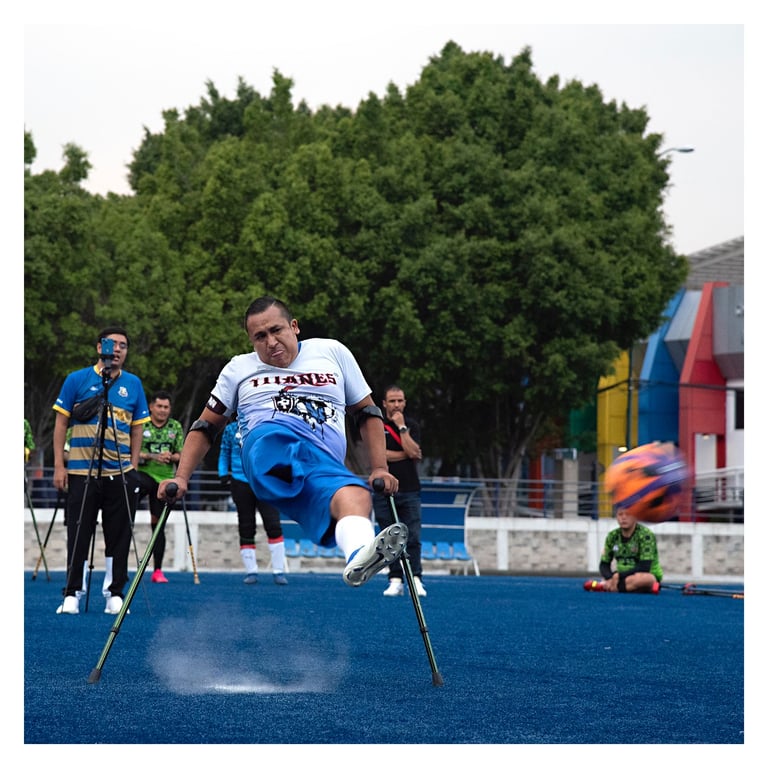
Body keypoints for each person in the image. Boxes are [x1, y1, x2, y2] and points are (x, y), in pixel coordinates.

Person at [158, 296, 407, 589]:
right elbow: (205, 427)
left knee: (356, 496)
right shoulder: (239, 368)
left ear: (294, 326)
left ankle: (359, 554)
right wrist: (181, 477)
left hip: (320, 463)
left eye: (276, 330)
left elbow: (366, 412)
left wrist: (378, 467)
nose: (271, 342)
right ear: (251, 341)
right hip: (266, 449)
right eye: (260, 337)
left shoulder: (332, 351)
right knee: (276, 440)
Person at [52, 327, 150, 615]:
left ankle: (114, 592)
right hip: (81, 472)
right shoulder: (77, 379)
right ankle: (72, 592)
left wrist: (131, 466)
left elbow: (137, 428)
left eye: (123, 345)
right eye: (112, 344)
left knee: (118, 534)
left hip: (118, 473)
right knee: (78, 532)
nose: (117, 349)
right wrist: (60, 466)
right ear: (99, 348)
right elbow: (60, 425)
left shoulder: (133, 384)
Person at [218, 418, 288, 585]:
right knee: (246, 525)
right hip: (240, 481)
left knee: (273, 524)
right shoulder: (230, 430)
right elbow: (224, 451)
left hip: (265, 481)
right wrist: (222, 472)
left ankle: (279, 571)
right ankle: (251, 571)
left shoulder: (268, 425)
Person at [372, 385, 426, 597]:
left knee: (413, 537)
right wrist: (406, 452)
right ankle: (395, 579)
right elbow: (379, 455)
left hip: (410, 490)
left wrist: (401, 428)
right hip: (383, 491)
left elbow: (416, 452)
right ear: (384, 403)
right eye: (392, 401)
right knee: (389, 538)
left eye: (400, 401)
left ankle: (416, 578)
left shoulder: (411, 425)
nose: (396, 405)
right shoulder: (376, 426)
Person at [136, 390, 184, 583]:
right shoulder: (142, 424)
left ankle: (157, 570)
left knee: (158, 526)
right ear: (151, 407)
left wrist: (171, 457)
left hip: (164, 480)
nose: (163, 410)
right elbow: (134, 451)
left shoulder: (175, 427)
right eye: (159, 406)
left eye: (166, 407)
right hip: (144, 474)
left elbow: (181, 454)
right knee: (125, 507)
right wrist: (152, 456)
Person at [583, 508, 663, 593]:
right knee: (613, 579)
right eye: (620, 514)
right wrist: (610, 577)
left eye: (628, 514)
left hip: (644, 574)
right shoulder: (612, 536)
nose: (623, 518)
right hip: (621, 577)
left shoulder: (646, 535)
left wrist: (619, 576)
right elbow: (604, 564)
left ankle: (610, 587)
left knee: (647, 579)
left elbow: (644, 567)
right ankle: (619, 586)